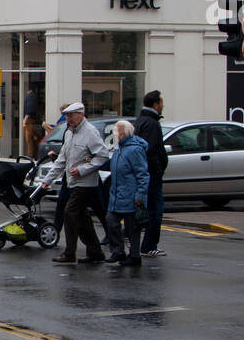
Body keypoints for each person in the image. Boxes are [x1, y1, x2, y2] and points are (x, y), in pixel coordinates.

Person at [41, 101, 110, 265]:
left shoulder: (90, 132)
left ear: (81, 114)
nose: (68, 119)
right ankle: (95, 252)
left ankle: (69, 252)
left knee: (69, 213)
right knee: (82, 218)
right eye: (66, 116)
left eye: (71, 116)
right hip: (73, 182)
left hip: (85, 183)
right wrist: (46, 182)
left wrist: (83, 169)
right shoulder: (69, 133)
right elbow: (61, 160)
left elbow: (102, 156)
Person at [105, 120, 149, 268]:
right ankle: (118, 251)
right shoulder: (119, 148)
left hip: (130, 196)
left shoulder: (134, 150)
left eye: (117, 131)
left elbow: (142, 174)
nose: (115, 134)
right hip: (117, 195)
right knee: (111, 221)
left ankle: (134, 256)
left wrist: (140, 195)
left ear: (126, 132)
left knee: (132, 229)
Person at [134, 90, 168, 257]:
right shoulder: (152, 123)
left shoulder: (140, 120)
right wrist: (158, 168)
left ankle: (131, 237)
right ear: (155, 104)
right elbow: (151, 149)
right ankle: (149, 245)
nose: (163, 106)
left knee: (144, 209)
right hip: (151, 174)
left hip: (143, 172)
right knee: (154, 210)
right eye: (161, 103)